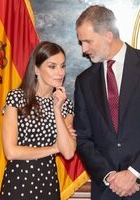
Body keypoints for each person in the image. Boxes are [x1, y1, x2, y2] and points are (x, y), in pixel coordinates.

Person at [74, 5, 140, 200]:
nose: (84, 49)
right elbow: (83, 138)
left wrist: (134, 172)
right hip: (106, 190)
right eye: (81, 42)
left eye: (87, 41)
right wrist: (110, 176)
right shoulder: (84, 81)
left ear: (108, 35)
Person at [0, 41, 76, 200]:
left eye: (62, 66)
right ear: (36, 69)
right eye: (52, 66)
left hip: (48, 185)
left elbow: (68, 152)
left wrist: (57, 109)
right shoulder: (16, 98)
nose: (60, 72)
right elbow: (11, 152)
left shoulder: (65, 105)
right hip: (17, 184)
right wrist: (55, 148)